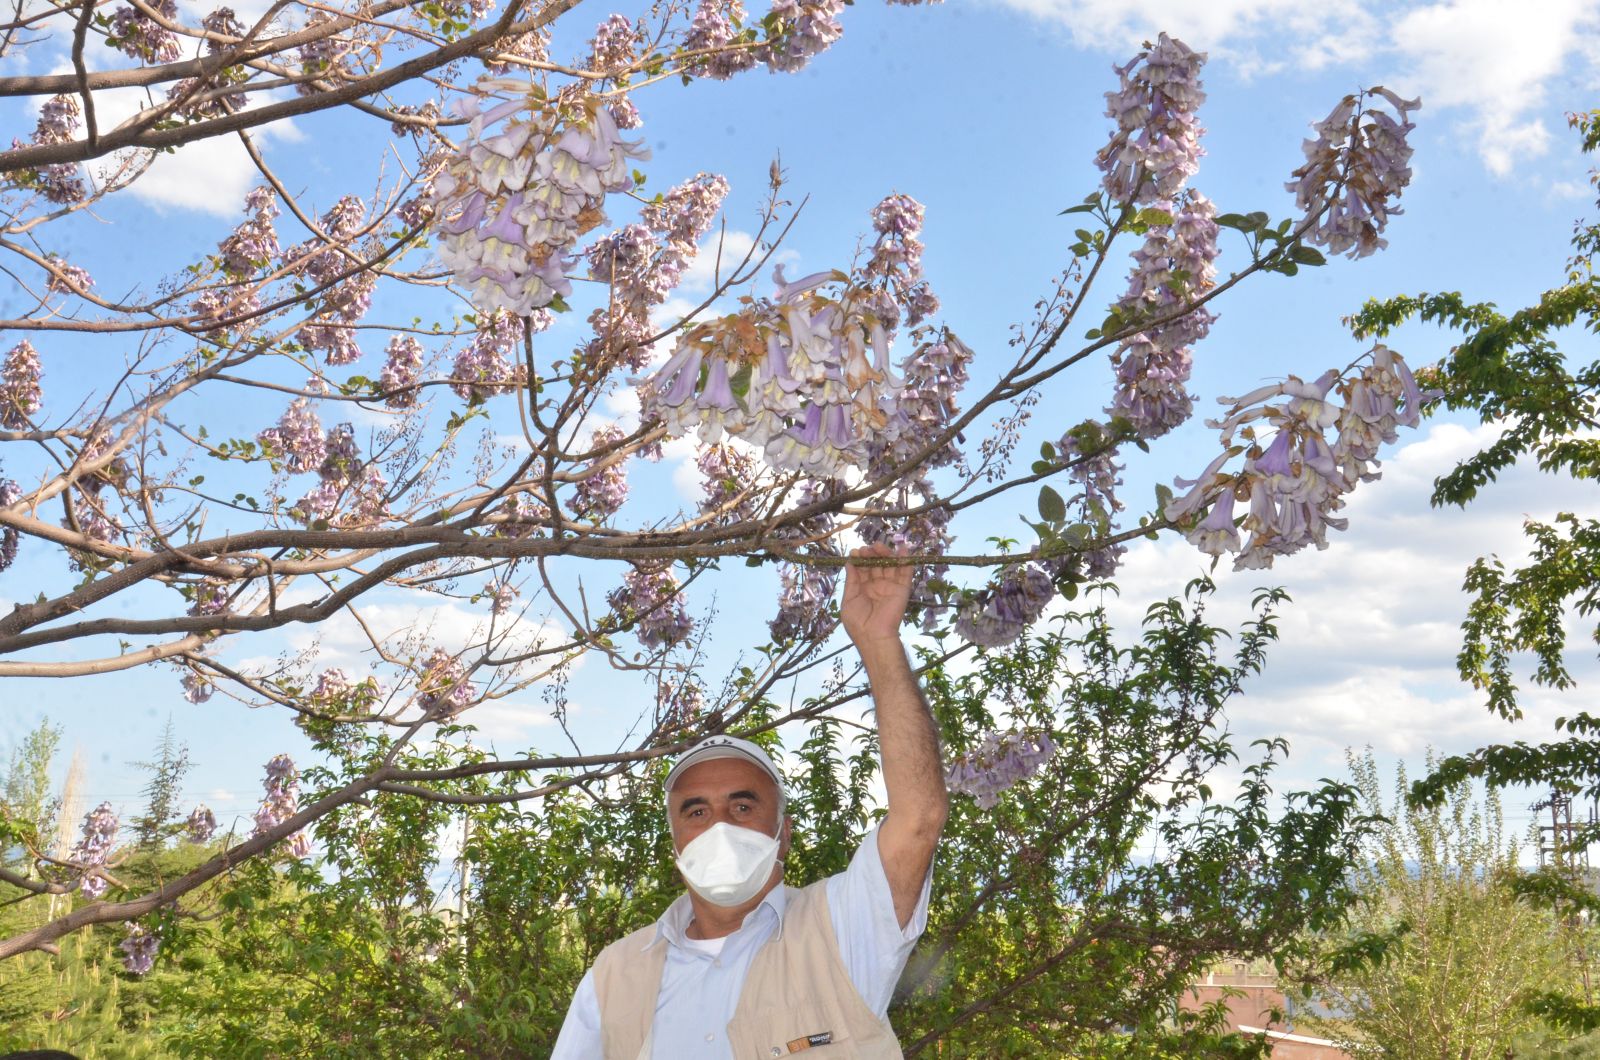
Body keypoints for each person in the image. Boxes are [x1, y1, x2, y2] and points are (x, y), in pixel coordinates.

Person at [551, 544, 948, 1058]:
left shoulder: (843, 930)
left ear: (782, 832)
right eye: (696, 811)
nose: (719, 827)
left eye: (742, 807)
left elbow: (919, 817)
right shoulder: (613, 976)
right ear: (674, 838)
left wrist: (878, 642)